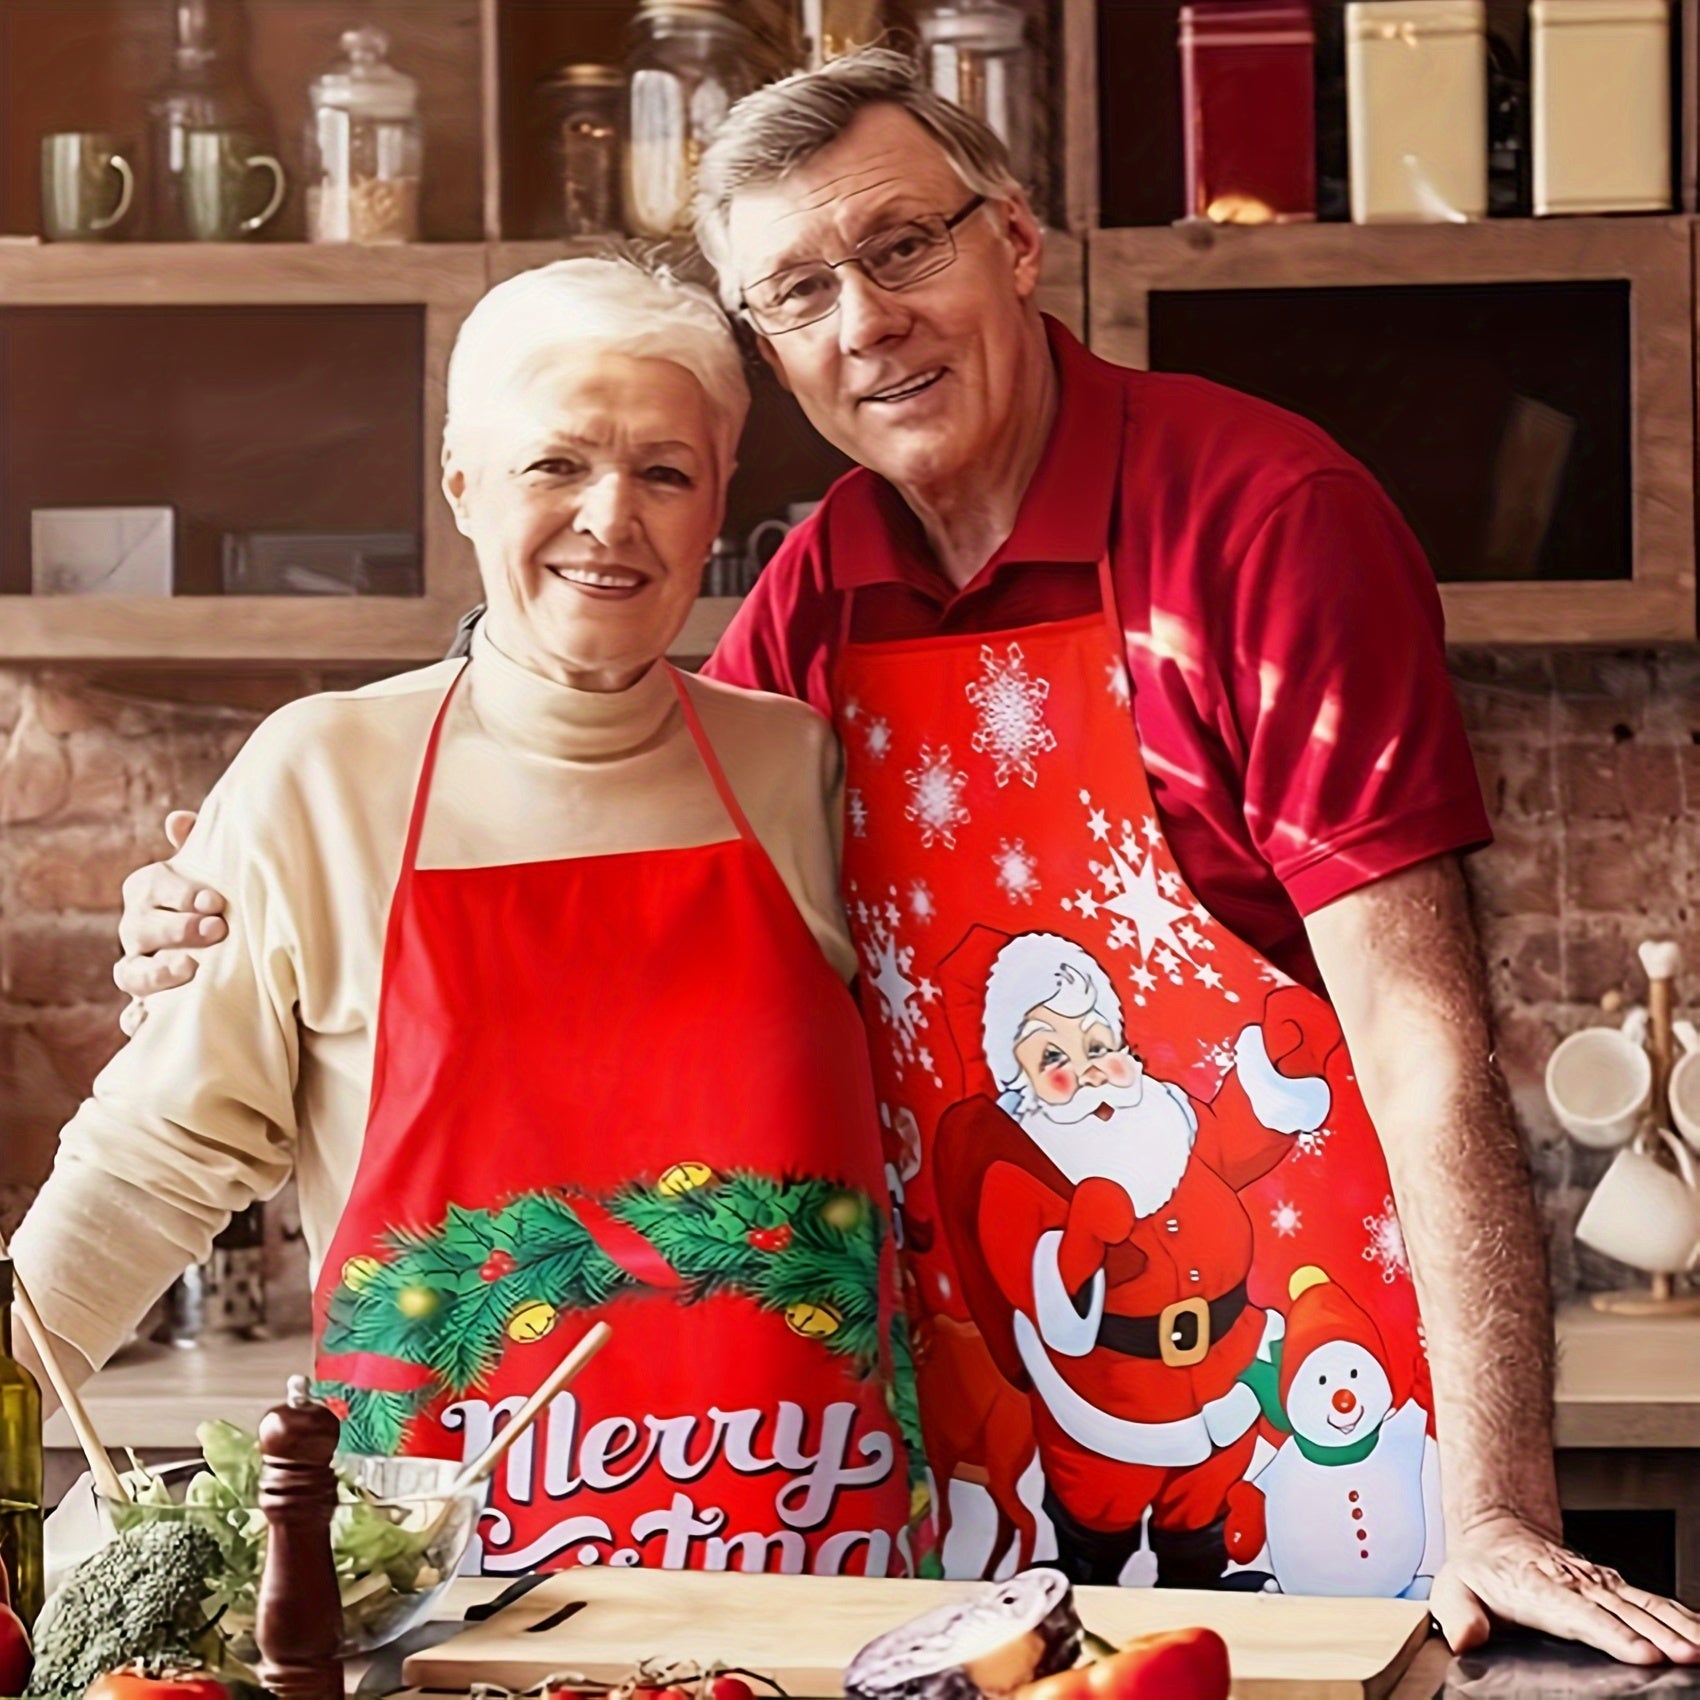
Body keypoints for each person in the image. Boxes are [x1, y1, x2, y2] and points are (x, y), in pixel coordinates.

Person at [114, 51, 1700, 1661]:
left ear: (1014, 240)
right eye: (799, 292)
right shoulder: (818, 590)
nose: (866, 321)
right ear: (771, 350)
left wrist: (1499, 1509)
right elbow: (598, 776)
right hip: (974, 1488)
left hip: (1310, 1411)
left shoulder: (1261, 521)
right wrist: (230, 892)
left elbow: (1424, 1040)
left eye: (902, 247)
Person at [13, 256, 915, 1578]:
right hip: (435, 1589)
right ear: (462, 485)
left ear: (719, 500)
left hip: (807, 1560)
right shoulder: (322, 774)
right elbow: (155, 1163)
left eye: (665, 473)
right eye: (557, 464)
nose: (611, 517)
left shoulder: (807, 767)